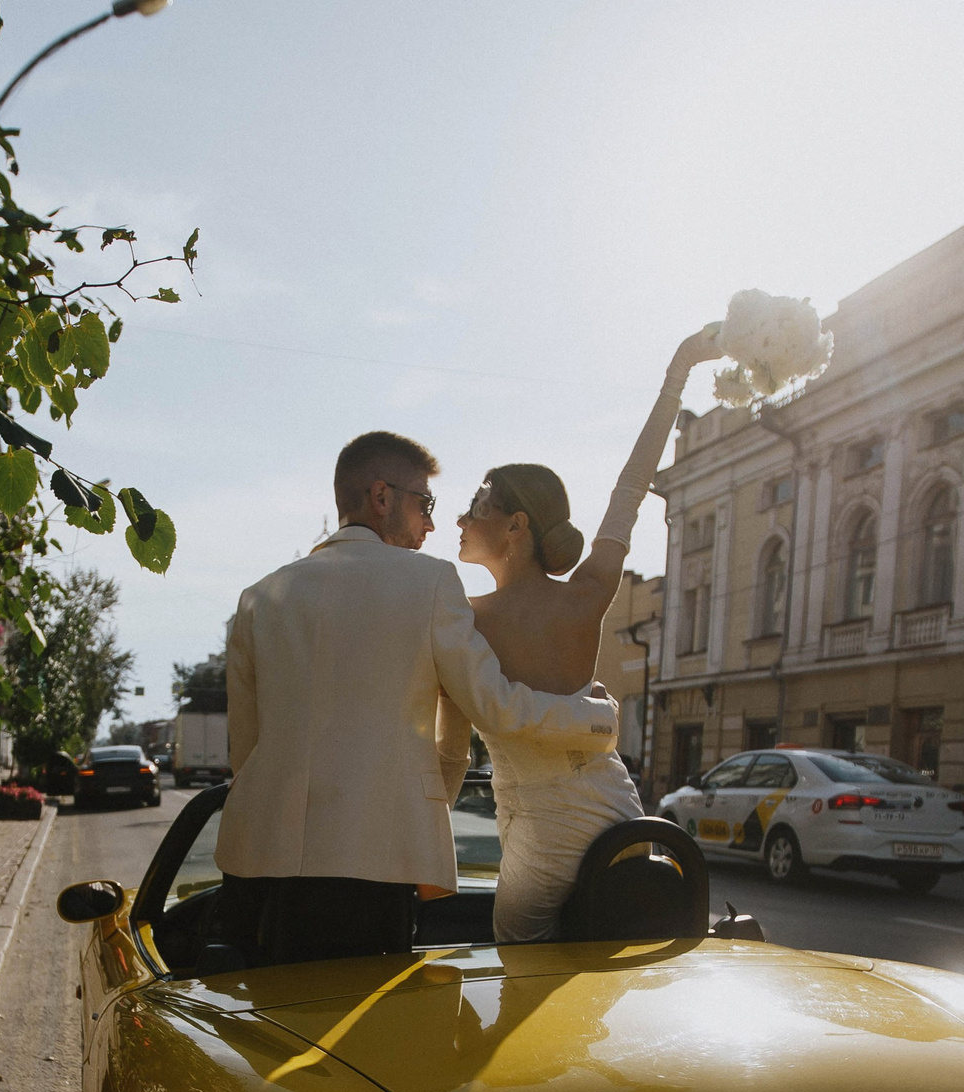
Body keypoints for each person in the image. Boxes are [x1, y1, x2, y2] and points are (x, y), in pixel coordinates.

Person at [216, 432, 620, 967]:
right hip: (370, 871)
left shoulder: (259, 597)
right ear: (381, 497)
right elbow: (495, 708)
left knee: (262, 1034)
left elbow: (244, 750)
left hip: (253, 866)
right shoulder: (430, 583)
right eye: (424, 504)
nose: (432, 523)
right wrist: (594, 719)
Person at [434, 330, 714, 942]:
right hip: (618, 807)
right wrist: (679, 371)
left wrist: (421, 838)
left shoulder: (460, 619)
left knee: (523, 972)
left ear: (515, 524)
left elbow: (452, 756)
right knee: (615, 968)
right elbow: (631, 489)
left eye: (475, 503)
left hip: (540, 826)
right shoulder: (585, 595)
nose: (459, 517)